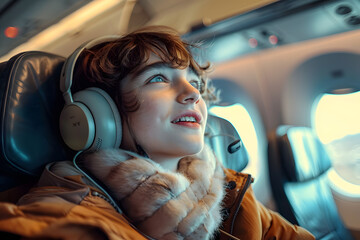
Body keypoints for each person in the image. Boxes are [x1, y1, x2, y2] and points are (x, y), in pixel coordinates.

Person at [0, 26, 314, 240]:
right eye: (158, 79)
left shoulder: (226, 192)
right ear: (98, 115)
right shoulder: (69, 214)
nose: (193, 93)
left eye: (195, 81)